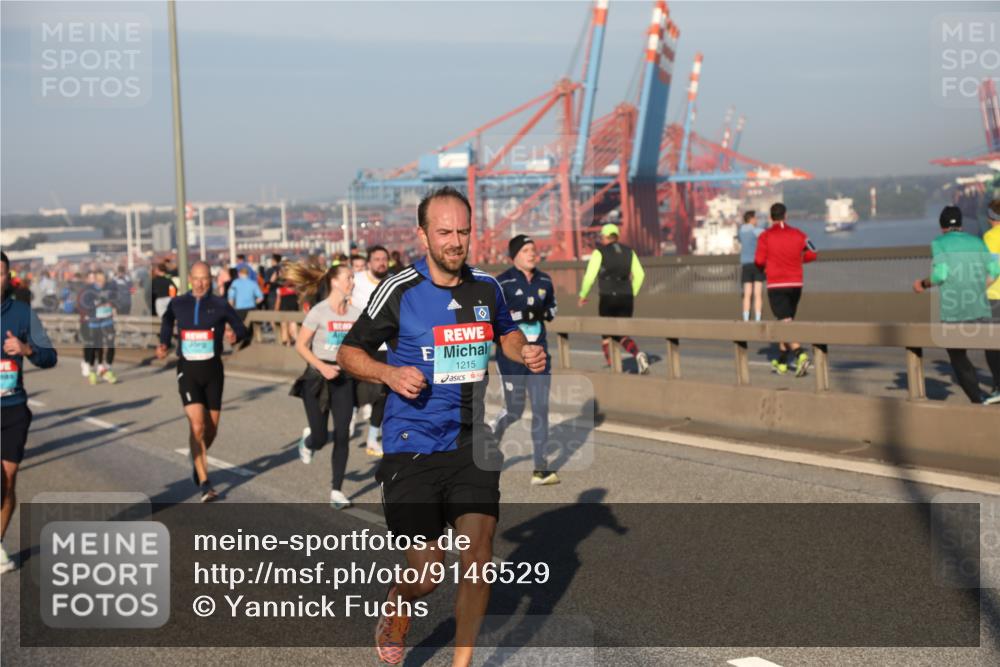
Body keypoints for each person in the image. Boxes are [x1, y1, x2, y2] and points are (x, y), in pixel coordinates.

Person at [337, 186, 545, 666]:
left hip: (470, 441)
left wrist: (524, 351)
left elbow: (506, 332)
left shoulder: (486, 287)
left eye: (463, 232)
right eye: (445, 232)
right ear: (423, 235)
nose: (455, 241)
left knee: (478, 558)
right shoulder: (400, 290)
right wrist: (388, 374)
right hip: (411, 444)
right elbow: (349, 352)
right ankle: (399, 599)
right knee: (428, 573)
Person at [156, 261, 251, 502]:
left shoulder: (220, 304)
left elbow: (241, 328)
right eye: (196, 278)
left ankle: (196, 458)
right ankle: (205, 483)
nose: (200, 283)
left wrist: (235, 335)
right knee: (197, 426)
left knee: (211, 430)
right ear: (189, 279)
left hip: (213, 371)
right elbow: (166, 322)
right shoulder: (178, 303)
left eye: (204, 278)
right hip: (188, 370)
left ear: (211, 279)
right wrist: (164, 342)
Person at [1, 251, 58, 573]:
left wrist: (27, 349)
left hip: (12, 410)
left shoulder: (22, 314)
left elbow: (50, 357)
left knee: (8, 481)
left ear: (8, 278)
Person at [287, 263, 360, 508]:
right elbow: (300, 345)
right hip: (317, 379)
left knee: (343, 434)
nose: (352, 282)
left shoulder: (355, 314)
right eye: (349, 278)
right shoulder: (319, 312)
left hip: (344, 379)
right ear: (335, 282)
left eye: (353, 278)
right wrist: (322, 367)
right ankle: (309, 442)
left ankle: (336, 491)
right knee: (320, 437)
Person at [913, 205, 1000, 405]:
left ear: (941, 226)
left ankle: (977, 399)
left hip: (954, 311)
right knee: (992, 345)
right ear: (961, 224)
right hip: (980, 308)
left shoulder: (939, 243)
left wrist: (922, 284)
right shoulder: (977, 241)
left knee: (958, 355)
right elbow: (995, 270)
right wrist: (979, 286)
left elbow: (940, 275)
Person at [492, 234, 559, 485]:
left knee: (541, 408)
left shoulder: (545, 280)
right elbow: (493, 319)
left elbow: (553, 309)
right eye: (526, 250)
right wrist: (520, 314)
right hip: (511, 358)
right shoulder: (502, 283)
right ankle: (492, 437)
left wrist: (544, 311)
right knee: (514, 410)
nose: (532, 254)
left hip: (539, 354)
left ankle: (541, 468)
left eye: (533, 249)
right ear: (514, 256)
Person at [577, 223, 650, 374]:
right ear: (616, 236)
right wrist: (632, 292)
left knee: (606, 335)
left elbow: (590, 276)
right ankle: (637, 354)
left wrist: (583, 295)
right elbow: (640, 275)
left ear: (605, 237)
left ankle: (614, 369)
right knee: (622, 334)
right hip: (626, 297)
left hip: (608, 297)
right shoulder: (629, 252)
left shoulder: (599, 252)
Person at [754, 202, 818, 376]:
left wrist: (765, 267)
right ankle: (782, 362)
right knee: (786, 322)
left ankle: (800, 355)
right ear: (786, 216)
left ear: (770, 217)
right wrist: (798, 260)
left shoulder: (765, 236)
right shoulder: (799, 234)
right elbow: (813, 252)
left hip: (777, 284)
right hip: (796, 284)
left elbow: (759, 261)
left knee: (784, 322)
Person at [351, 245, 392, 457]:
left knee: (384, 395)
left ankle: (372, 438)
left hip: (387, 346)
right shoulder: (356, 280)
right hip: (363, 344)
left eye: (384, 259)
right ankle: (350, 414)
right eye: (377, 259)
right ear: (369, 263)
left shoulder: (394, 282)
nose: (381, 263)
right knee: (357, 388)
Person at [78, 270, 118, 384]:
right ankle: (92, 369)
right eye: (99, 280)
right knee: (95, 347)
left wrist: (112, 304)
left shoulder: (109, 288)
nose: (101, 282)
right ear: (95, 280)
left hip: (107, 320)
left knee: (111, 344)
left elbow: (115, 300)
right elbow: (83, 304)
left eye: (103, 280)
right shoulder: (88, 290)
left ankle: (107, 369)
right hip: (94, 322)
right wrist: (97, 304)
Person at [984, 199, 1000, 399]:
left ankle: (998, 386)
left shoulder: (990, 237)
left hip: (995, 297)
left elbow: (994, 270)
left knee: (992, 343)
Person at [737, 210, 765, 321]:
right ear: (751, 219)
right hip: (757, 264)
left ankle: (746, 318)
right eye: (755, 218)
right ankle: (758, 318)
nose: (757, 220)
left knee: (747, 293)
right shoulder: (756, 231)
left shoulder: (741, 231)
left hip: (746, 265)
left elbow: (740, 240)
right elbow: (766, 236)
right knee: (758, 293)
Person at [274, 265, 300, 346]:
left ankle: (288, 343)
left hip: (285, 311)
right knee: (290, 327)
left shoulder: (281, 290)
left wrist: (275, 311)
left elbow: (278, 302)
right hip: (290, 311)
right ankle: (292, 342)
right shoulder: (295, 289)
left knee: (286, 327)